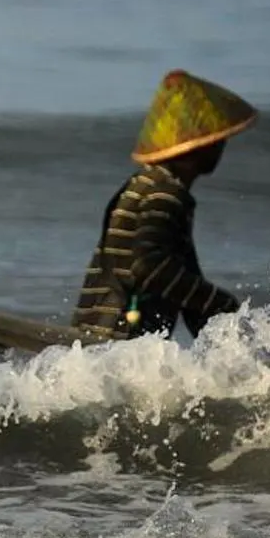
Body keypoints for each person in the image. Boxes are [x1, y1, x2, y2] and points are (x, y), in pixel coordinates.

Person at [72, 70, 258, 339]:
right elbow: (149, 267)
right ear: (197, 146)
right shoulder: (166, 194)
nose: (221, 147)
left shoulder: (145, 184)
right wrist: (222, 303)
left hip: (94, 332)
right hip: (120, 339)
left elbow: (182, 279)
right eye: (217, 140)